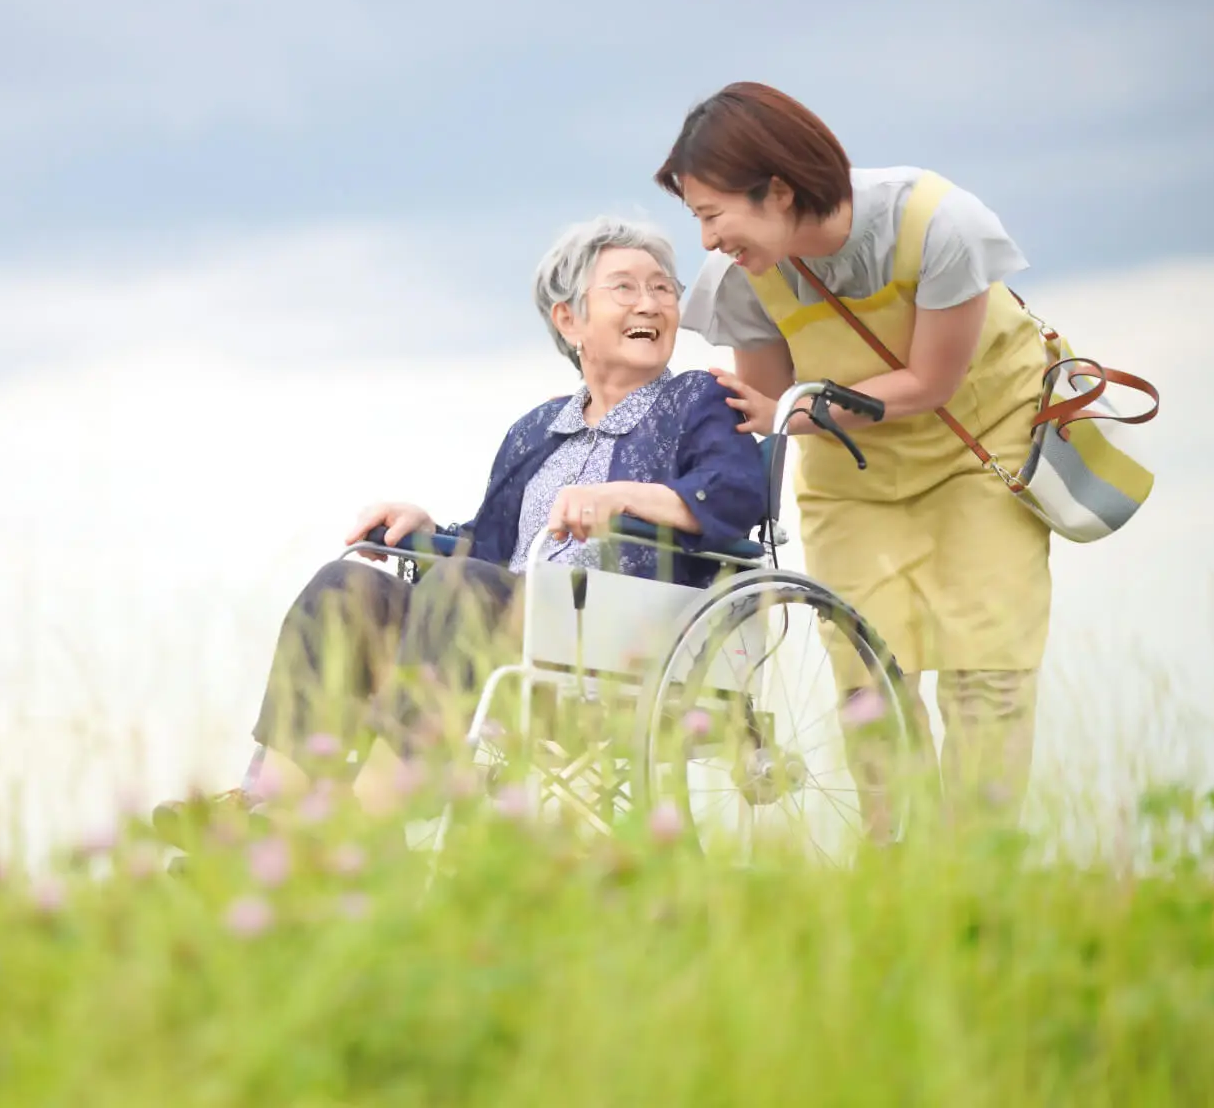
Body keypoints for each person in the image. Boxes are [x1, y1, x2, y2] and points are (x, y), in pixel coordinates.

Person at [155, 218, 769, 836]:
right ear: (569, 321)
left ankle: (367, 810)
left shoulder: (698, 400)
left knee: (460, 590)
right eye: (625, 288)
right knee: (344, 588)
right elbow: (494, 550)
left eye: (662, 288)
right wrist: (428, 528)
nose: (650, 303)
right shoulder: (537, 431)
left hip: (632, 648)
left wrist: (625, 496)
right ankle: (274, 801)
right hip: (518, 637)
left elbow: (736, 494)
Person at [656, 80, 1052, 829]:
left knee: (986, 676)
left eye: (712, 215)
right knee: (870, 685)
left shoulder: (939, 226)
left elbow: (931, 382)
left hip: (978, 450)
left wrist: (798, 410)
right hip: (853, 479)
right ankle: (898, 870)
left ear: (776, 189)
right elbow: (768, 410)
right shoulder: (741, 279)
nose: (707, 241)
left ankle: (981, 870)